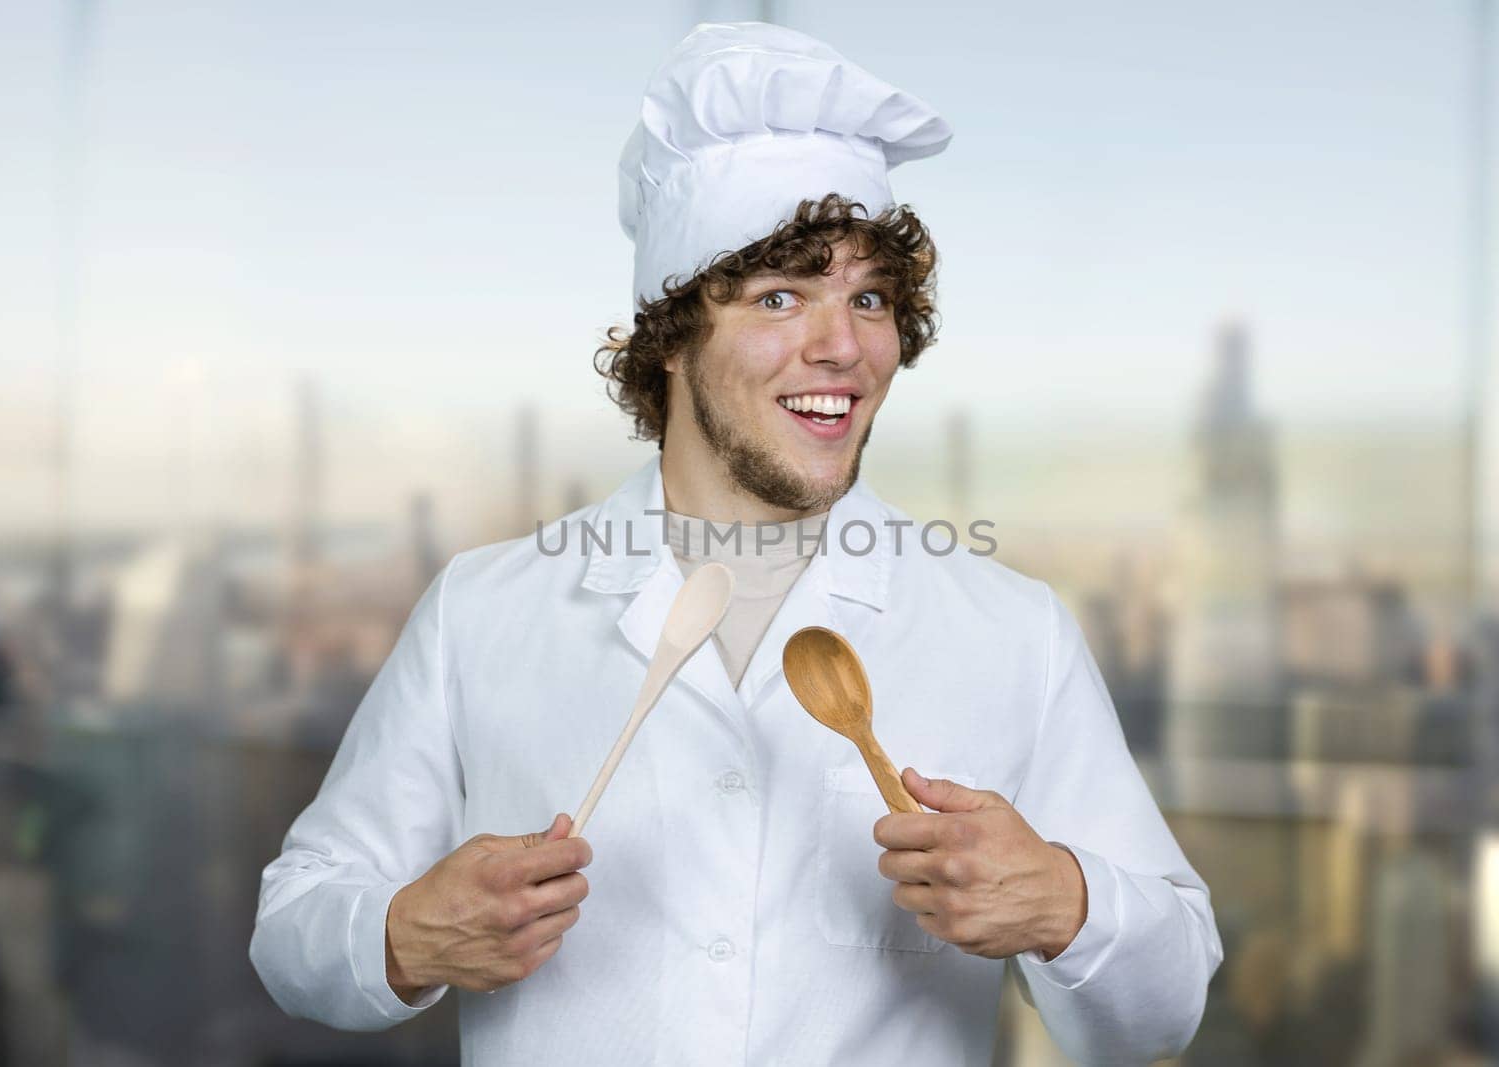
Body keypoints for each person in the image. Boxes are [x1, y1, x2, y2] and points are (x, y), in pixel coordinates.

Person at [250, 21, 1223, 1065]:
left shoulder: (1009, 630)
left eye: (868, 297)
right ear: (670, 337)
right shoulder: (485, 611)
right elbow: (295, 927)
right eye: (778, 296)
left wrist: (1067, 901)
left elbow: (1166, 1001)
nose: (843, 344)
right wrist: (401, 934)